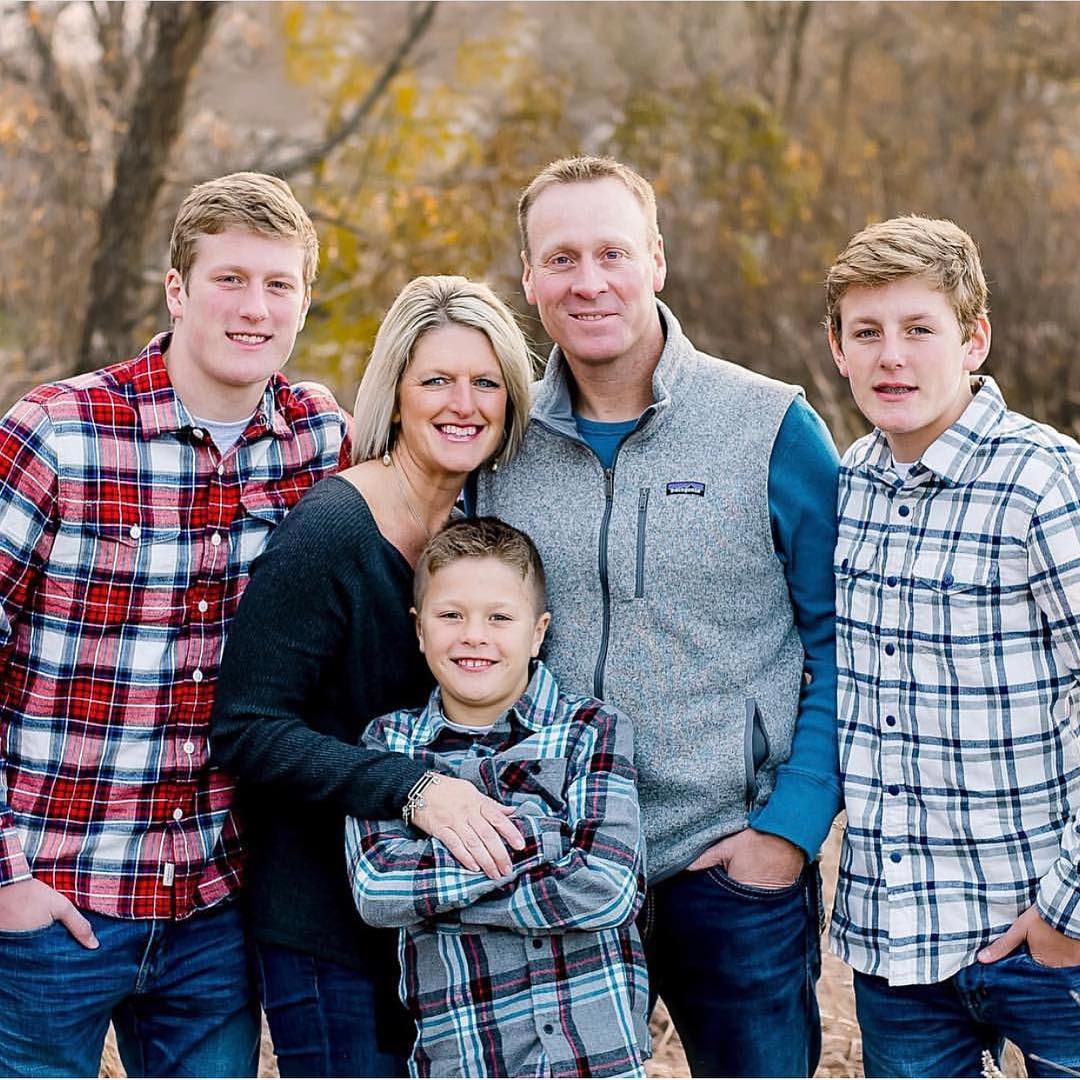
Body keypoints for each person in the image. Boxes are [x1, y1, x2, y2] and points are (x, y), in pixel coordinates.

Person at [473, 155, 842, 1078]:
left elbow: (847, 644)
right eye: (561, 259)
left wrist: (790, 830)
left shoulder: (770, 426)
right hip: (555, 865)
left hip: (731, 871)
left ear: (658, 262)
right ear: (529, 278)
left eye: (613, 253)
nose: (588, 282)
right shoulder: (497, 442)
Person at [0, 171, 351, 1077]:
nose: (254, 308)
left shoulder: (320, 441)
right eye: (230, 279)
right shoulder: (60, 433)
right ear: (177, 290)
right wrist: (6, 879)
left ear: (303, 302)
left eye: (278, 285)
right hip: (49, 903)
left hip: (212, 915)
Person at [210, 276, 537, 1077]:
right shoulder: (331, 531)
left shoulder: (472, 537)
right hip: (324, 929)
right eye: (437, 381)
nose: (463, 404)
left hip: (431, 926)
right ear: (394, 395)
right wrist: (411, 789)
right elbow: (247, 728)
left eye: (486, 383)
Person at [826, 215, 1080, 1077]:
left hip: (1045, 938)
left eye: (919, 329)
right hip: (899, 949)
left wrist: (1068, 912)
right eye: (867, 332)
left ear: (974, 341)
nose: (891, 357)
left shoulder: (1042, 480)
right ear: (838, 350)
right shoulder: (851, 484)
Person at [346, 517, 649, 1079]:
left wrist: (437, 897)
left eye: (500, 618)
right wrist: (549, 840)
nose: (474, 635)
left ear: (538, 632)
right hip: (466, 1060)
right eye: (451, 615)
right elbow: (378, 889)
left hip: (595, 1059)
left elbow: (607, 889)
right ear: (419, 629)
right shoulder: (389, 745)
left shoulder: (591, 729)